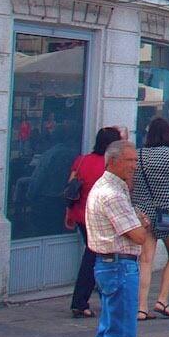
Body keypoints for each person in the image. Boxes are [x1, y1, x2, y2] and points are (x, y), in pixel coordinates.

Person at [83, 140, 148, 337]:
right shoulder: (112, 193)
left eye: (135, 160)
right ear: (113, 162)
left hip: (110, 264)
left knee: (108, 330)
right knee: (121, 333)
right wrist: (140, 223)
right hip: (119, 265)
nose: (134, 166)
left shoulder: (110, 187)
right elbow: (138, 235)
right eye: (129, 161)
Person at [132, 116, 169, 321]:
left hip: (143, 212)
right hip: (167, 211)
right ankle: (162, 299)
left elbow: (131, 185)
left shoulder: (138, 154)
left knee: (145, 260)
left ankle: (141, 307)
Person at [66, 126, 123, 318]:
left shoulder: (82, 160)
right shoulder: (111, 165)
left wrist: (68, 213)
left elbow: (71, 188)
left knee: (94, 255)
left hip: (80, 214)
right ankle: (81, 301)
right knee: (94, 258)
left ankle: (91, 297)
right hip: (100, 218)